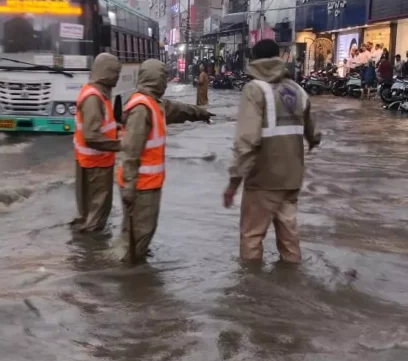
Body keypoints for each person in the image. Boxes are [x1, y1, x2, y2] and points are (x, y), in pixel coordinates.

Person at [223, 39, 320, 263]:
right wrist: (312, 142)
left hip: (263, 180)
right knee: (289, 239)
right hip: (292, 179)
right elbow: (313, 133)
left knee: (252, 237)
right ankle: (291, 287)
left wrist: (233, 182)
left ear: (254, 60)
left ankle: (252, 290)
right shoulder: (298, 90)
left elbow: (247, 141)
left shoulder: (254, 89)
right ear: (280, 57)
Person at [117, 59, 213, 263]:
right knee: (139, 234)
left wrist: (200, 114)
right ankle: (127, 274)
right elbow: (131, 151)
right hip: (139, 185)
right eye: (163, 78)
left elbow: (179, 110)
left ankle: (131, 265)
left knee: (140, 231)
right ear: (155, 79)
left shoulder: (154, 103)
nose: (166, 82)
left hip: (147, 184)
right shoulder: (142, 108)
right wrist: (130, 186)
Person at [71, 53, 122, 233]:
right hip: (96, 165)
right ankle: (90, 252)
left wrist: (118, 127)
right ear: (105, 72)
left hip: (91, 163)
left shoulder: (96, 94)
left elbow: (100, 126)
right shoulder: (94, 97)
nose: (117, 77)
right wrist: (120, 145)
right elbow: (91, 136)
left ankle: (85, 245)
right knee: (97, 215)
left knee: (90, 212)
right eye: (115, 72)